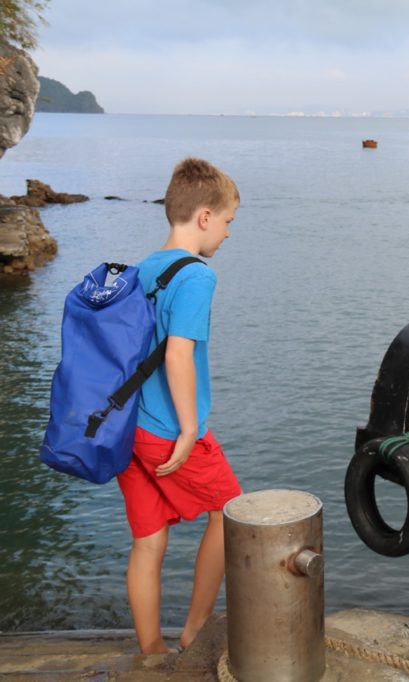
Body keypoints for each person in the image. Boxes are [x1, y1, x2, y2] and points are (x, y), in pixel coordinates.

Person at [115, 158, 242, 653]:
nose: (229, 234)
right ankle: (195, 629)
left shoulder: (142, 268)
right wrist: (189, 429)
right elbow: (178, 353)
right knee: (229, 513)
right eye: (229, 221)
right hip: (167, 430)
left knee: (148, 542)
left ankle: (152, 652)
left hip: (127, 429)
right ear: (205, 216)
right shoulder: (196, 277)